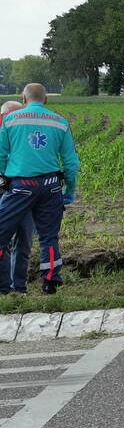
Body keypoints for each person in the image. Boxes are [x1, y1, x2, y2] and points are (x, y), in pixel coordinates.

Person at [0, 84, 79, 294]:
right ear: (46, 100)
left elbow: (0, 155)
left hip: (20, 186)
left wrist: (2, 181)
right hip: (51, 187)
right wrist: (70, 190)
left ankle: (4, 287)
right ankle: (50, 282)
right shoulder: (61, 123)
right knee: (48, 237)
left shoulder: (10, 120)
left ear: (23, 99)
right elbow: (71, 163)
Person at [0, 100, 34, 295]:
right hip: (5, 195)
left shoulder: (26, 138)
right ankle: (4, 288)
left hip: (26, 197)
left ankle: (19, 288)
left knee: (25, 242)